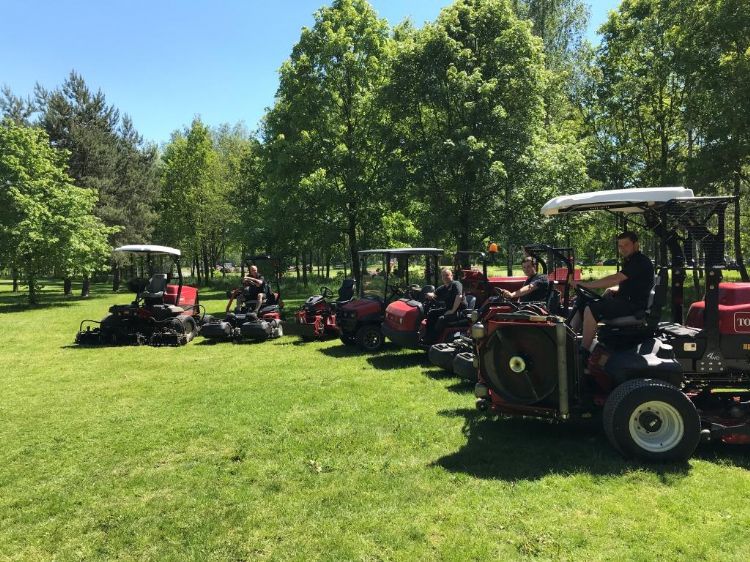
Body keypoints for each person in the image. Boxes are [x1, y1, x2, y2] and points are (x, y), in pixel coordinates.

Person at [574, 231, 654, 351]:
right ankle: (566, 343)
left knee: (592, 309)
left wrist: (587, 285)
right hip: (626, 301)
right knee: (581, 304)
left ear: (636, 244)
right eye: (620, 246)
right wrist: (614, 290)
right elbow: (632, 284)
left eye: (626, 245)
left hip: (634, 306)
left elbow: (616, 278)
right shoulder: (630, 261)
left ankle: (583, 352)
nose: (622, 249)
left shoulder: (640, 261)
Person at [424, 268, 464, 342]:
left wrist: (452, 311)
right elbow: (434, 294)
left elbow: (459, 296)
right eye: (443, 276)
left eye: (447, 275)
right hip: (449, 309)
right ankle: (428, 336)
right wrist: (429, 294)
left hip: (459, 311)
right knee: (432, 313)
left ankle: (435, 339)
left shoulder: (456, 284)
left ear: (451, 276)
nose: (445, 277)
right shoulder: (443, 288)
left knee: (442, 319)